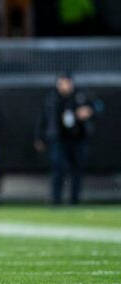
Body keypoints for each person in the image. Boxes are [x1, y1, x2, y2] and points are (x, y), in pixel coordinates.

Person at [34, 73, 95, 205]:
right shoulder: (52, 98)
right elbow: (43, 118)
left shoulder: (80, 96)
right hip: (58, 139)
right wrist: (39, 136)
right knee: (58, 167)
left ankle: (74, 199)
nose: (65, 86)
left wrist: (89, 111)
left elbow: (98, 107)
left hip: (77, 138)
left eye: (67, 83)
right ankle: (56, 199)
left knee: (77, 169)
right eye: (62, 83)